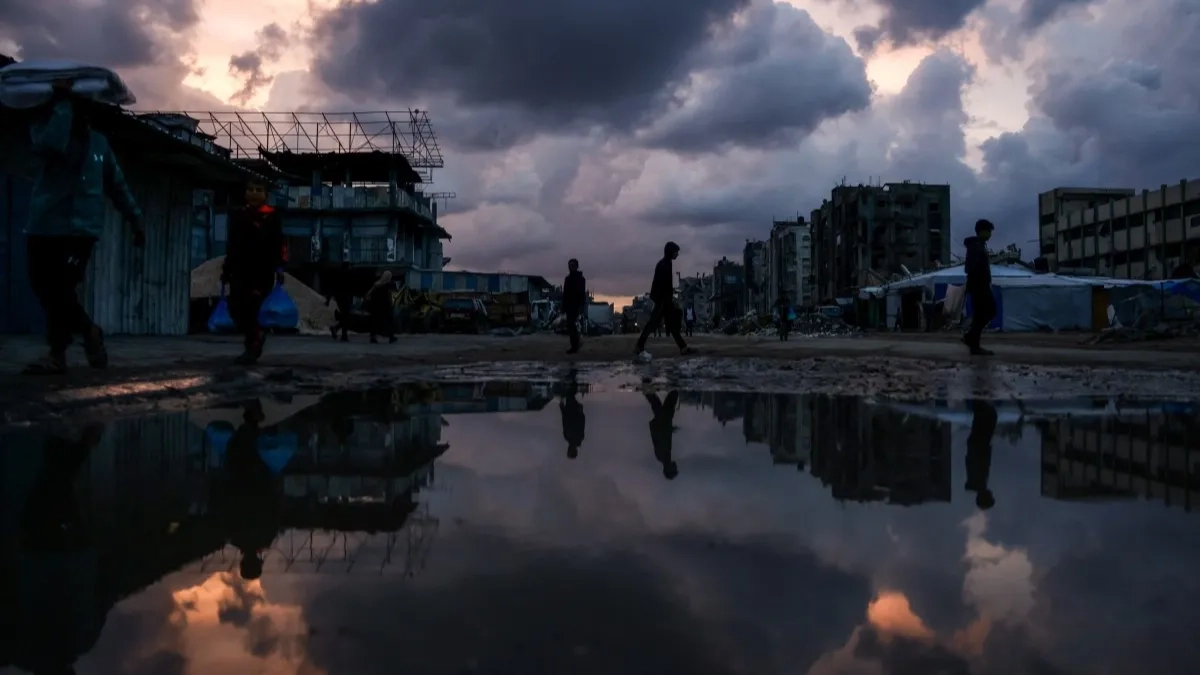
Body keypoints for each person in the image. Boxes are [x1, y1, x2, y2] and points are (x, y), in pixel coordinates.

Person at [21, 82, 145, 375]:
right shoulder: (46, 129)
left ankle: (57, 353)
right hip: (43, 225)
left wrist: (135, 220)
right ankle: (88, 331)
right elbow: (50, 145)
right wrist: (63, 104)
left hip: (80, 232)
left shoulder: (99, 144)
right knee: (44, 289)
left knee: (61, 289)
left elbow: (117, 185)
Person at [222, 178, 287, 365]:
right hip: (239, 271)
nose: (254, 193)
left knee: (251, 309)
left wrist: (280, 267)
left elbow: (279, 243)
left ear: (266, 195)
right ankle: (255, 338)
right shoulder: (239, 216)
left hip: (262, 272)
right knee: (236, 308)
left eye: (258, 190)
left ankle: (251, 347)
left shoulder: (272, 217)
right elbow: (232, 246)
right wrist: (226, 270)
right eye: (250, 189)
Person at [635, 242, 693, 357]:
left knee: (669, 324)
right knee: (653, 323)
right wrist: (667, 299)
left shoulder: (666, 263)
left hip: (664, 299)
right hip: (662, 300)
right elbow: (662, 285)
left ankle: (683, 347)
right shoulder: (664, 265)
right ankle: (639, 346)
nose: (677, 254)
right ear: (671, 252)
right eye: (676, 252)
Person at [963, 219, 996, 356]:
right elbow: (970, 267)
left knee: (981, 314)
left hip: (979, 285)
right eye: (988, 231)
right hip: (979, 285)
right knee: (989, 311)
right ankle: (972, 339)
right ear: (981, 231)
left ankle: (972, 341)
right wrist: (980, 280)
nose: (990, 234)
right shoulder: (976, 246)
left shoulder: (979, 245)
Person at [965, 400, 998, 510]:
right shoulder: (979, 482)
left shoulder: (978, 481)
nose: (991, 494)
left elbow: (977, 461)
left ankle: (979, 401)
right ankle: (980, 402)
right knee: (986, 419)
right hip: (978, 445)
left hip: (978, 445)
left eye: (990, 497)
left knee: (987, 418)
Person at [646, 391, 680, 480]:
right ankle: (646, 386)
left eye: (674, 469)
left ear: (669, 469)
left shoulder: (663, 456)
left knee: (658, 401)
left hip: (662, 422)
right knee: (656, 401)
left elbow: (660, 436)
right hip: (663, 422)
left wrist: (669, 429)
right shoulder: (663, 457)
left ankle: (646, 386)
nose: (676, 466)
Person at [324, 261, 355, 341]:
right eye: (349, 266)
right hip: (345, 298)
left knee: (345, 317)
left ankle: (341, 333)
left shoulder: (340, 275)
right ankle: (339, 331)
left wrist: (328, 299)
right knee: (346, 317)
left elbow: (332, 288)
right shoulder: (347, 275)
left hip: (341, 298)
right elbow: (352, 288)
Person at [562, 258, 587, 354]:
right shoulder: (567, 279)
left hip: (576, 305)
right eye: (569, 265)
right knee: (571, 326)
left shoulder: (581, 279)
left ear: (576, 266)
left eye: (572, 265)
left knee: (574, 326)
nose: (570, 267)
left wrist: (581, 306)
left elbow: (581, 293)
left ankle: (575, 346)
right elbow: (565, 294)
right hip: (569, 306)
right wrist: (563, 306)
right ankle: (574, 346)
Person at [560, 372, 585, 458]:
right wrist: (581, 412)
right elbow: (581, 424)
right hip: (573, 412)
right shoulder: (576, 438)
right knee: (570, 394)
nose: (569, 449)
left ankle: (571, 376)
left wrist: (562, 409)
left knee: (569, 394)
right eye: (570, 451)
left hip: (570, 411)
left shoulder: (569, 437)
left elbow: (564, 421)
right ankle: (571, 376)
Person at [367, 270, 397, 344]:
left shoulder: (377, 284)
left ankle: (373, 337)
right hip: (385, 306)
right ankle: (391, 337)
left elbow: (369, 293)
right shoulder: (389, 285)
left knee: (375, 322)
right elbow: (392, 296)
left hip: (375, 306)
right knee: (389, 321)